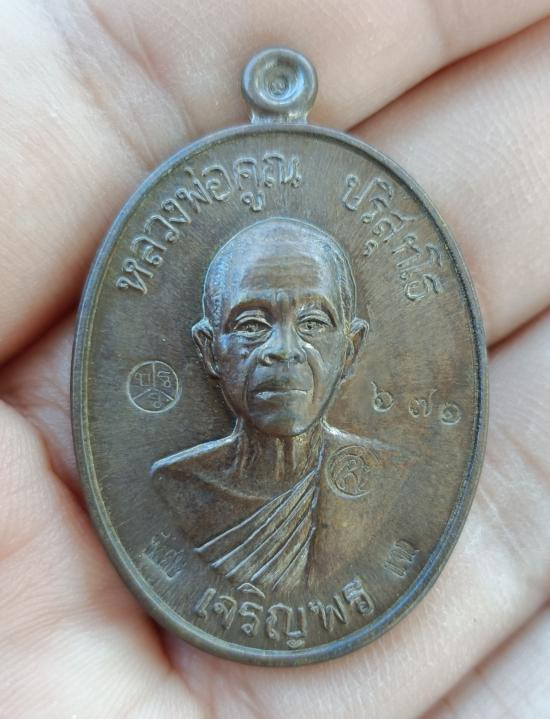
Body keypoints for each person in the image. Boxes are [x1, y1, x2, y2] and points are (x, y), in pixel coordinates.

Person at [152, 218, 394, 591]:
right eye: (252, 325)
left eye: (313, 323)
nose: (284, 350)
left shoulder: (390, 482)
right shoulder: (173, 489)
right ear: (210, 350)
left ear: (350, 350)